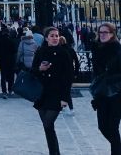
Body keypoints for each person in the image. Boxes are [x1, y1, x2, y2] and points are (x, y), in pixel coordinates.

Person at [32, 27, 73, 155]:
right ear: (46, 38)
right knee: (47, 127)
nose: (55, 38)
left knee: (48, 123)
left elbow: (69, 76)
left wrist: (65, 98)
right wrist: (40, 69)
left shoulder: (64, 52)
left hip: (57, 93)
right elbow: (33, 70)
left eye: (57, 35)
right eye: (52, 36)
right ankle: (54, 152)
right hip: (42, 93)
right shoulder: (41, 51)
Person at [91, 23, 121, 155]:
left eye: (105, 32)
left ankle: (116, 152)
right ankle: (119, 148)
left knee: (113, 127)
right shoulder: (96, 49)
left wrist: (108, 78)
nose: (102, 35)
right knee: (102, 126)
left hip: (117, 93)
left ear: (112, 34)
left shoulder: (118, 50)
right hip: (102, 93)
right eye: (100, 32)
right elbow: (96, 71)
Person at [58, 35, 79, 114]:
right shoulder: (70, 49)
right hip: (70, 73)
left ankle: (66, 107)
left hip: (60, 74)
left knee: (61, 91)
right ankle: (67, 107)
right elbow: (77, 62)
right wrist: (76, 72)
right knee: (67, 91)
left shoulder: (59, 50)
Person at [0, 27, 18, 98]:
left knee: (3, 77)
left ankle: (4, 91)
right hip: (11, 61)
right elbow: (14, 50)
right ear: (8, 33)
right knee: (11, 76)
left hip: (2, 61)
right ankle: (10, 89)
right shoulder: (11, 40)